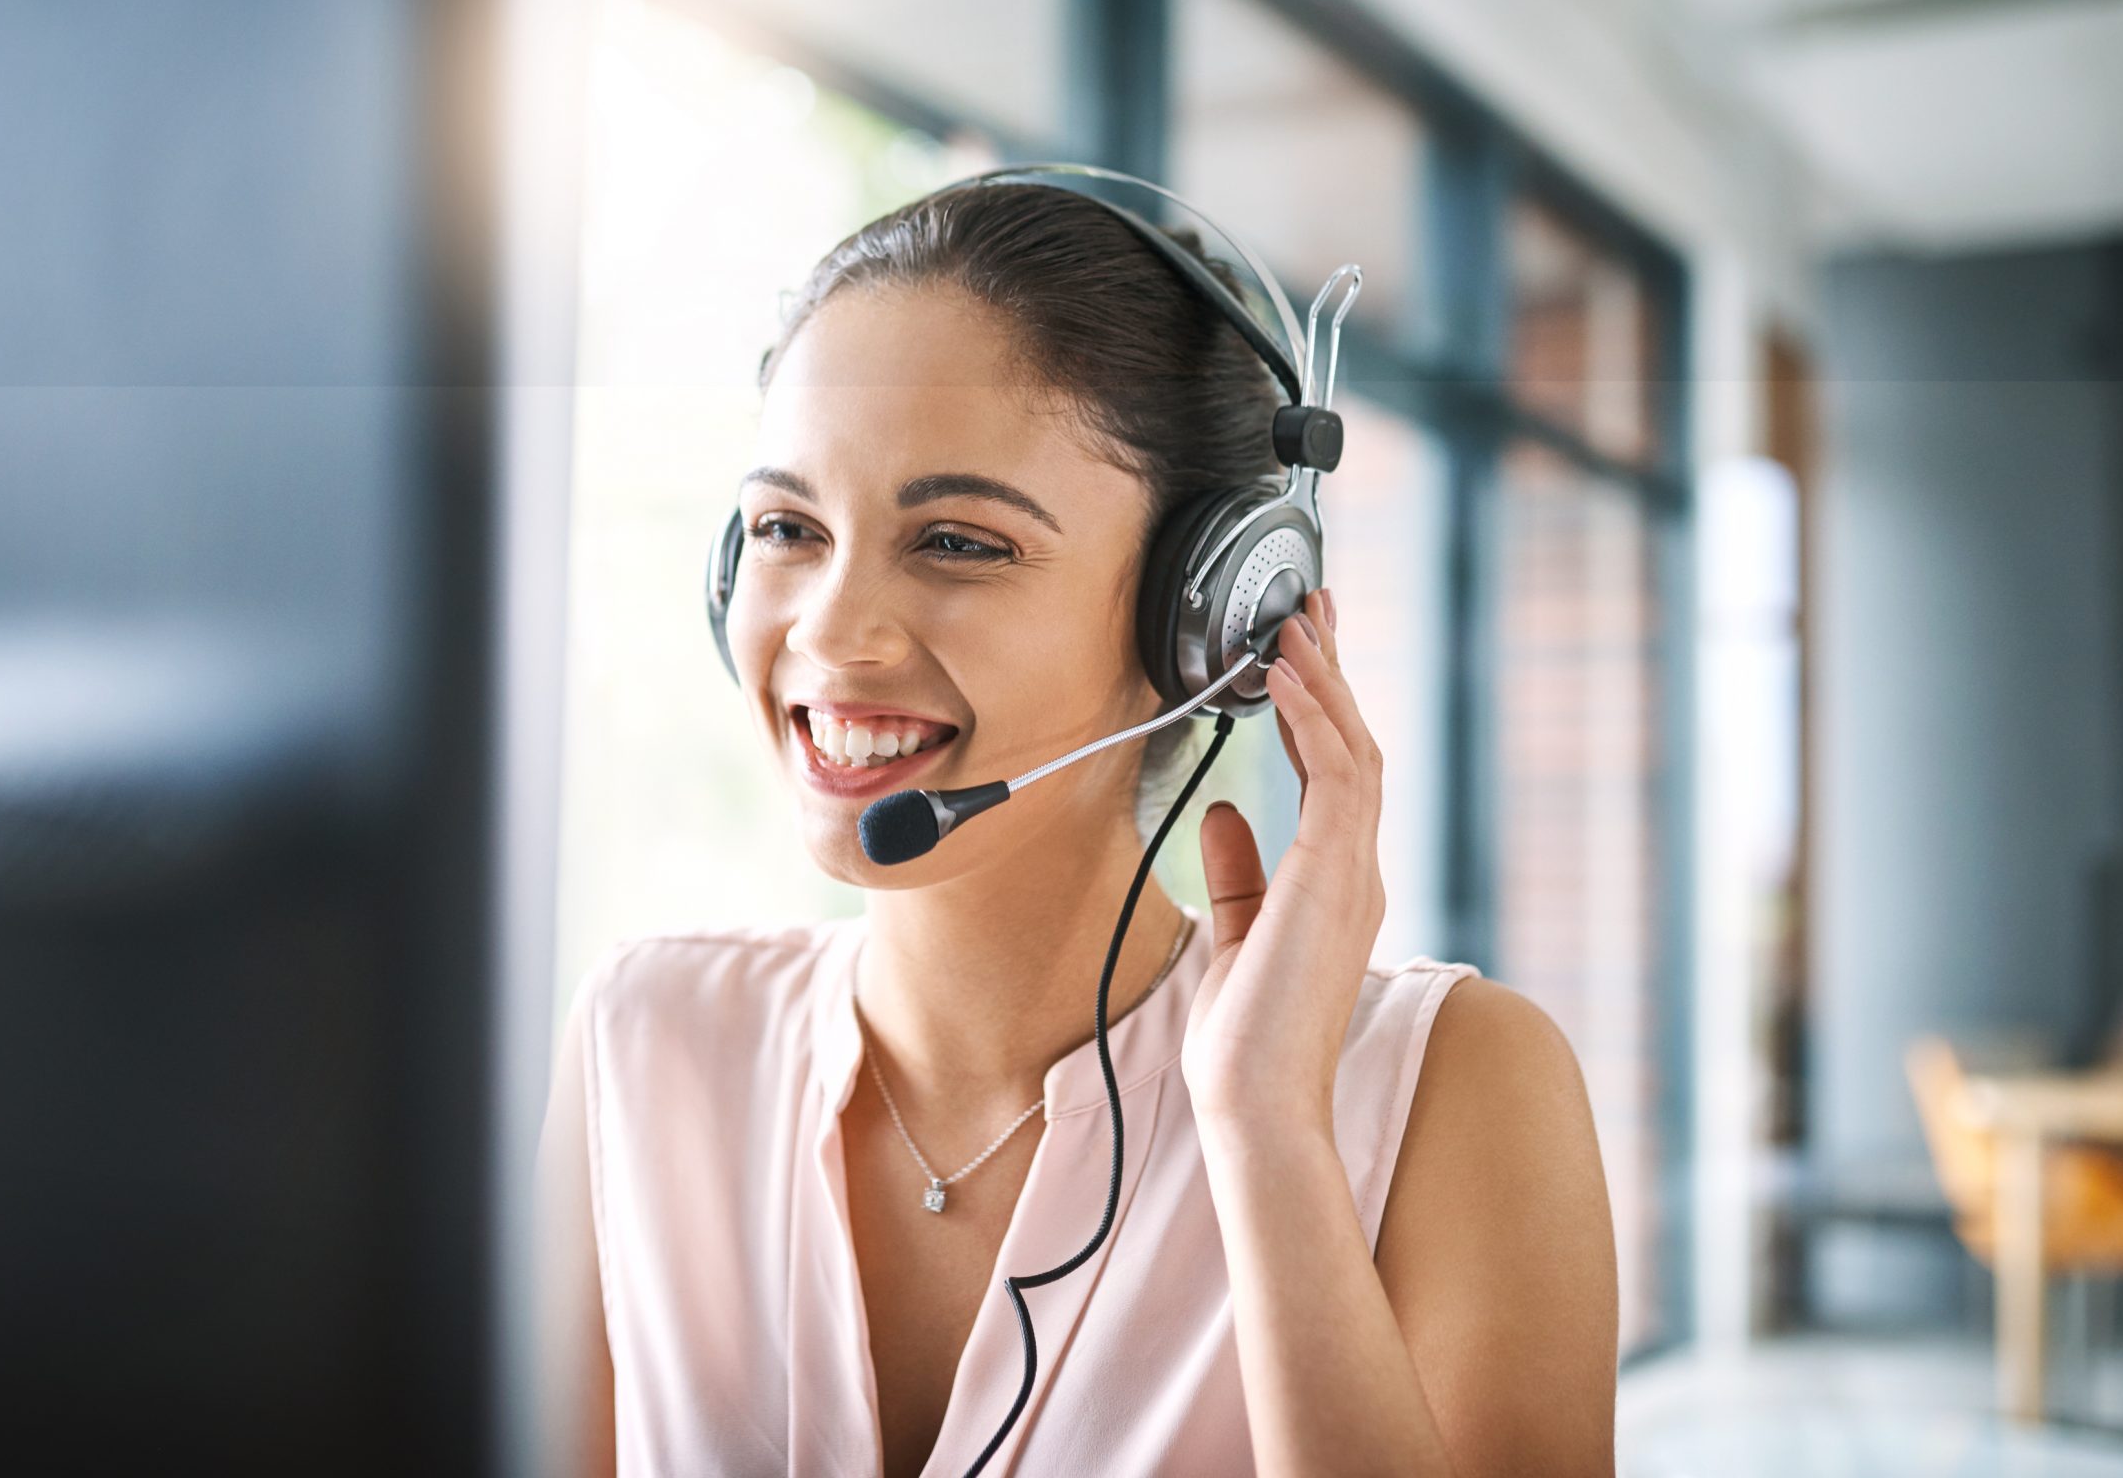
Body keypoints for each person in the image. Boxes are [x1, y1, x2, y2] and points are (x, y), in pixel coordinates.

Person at [536, 180, 1617, 1476]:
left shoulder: (1453, 1087)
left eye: (956, 541)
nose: (825, 631)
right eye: (786, 528)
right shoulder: (650, 1041)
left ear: (1209, 615)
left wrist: (1267, 1128)